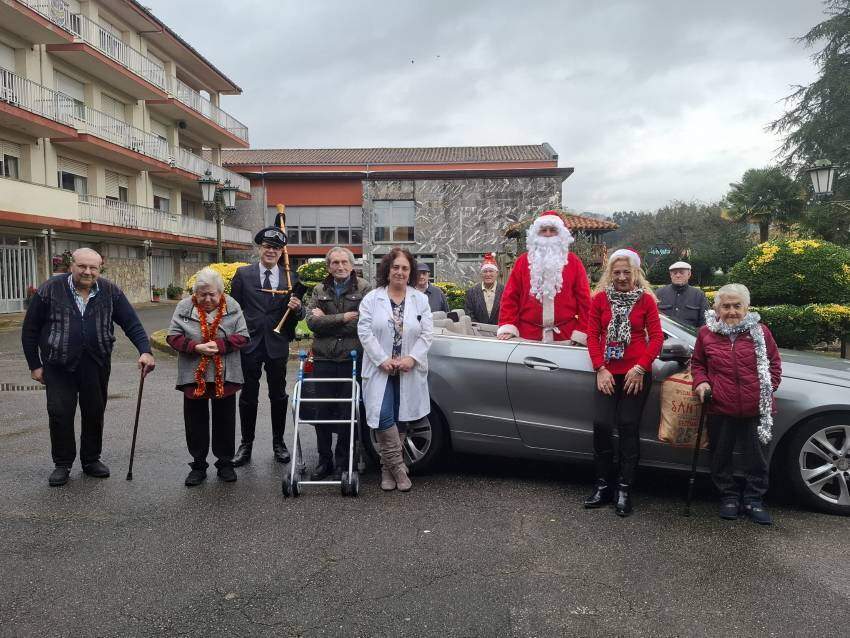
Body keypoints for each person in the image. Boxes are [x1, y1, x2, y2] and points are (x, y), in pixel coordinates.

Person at [21, 247, 156, 486]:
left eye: (93, 267)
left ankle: (91, 460)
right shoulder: (50, 290)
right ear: (71, 266)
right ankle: (62, 464)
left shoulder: (110, 291)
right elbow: (30, 330)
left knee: (94, 412)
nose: (87, 272)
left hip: (96, 363)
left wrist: (145, 350)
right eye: (82, 266)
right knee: (60, 414)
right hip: (58, 365)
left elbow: (131, 323)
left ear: (100, 269)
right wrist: (35, 365)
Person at [691, 283, 781, 525]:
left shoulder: (761, 332)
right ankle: (728, 496)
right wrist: (701, 383)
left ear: (746, 307)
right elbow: (698, 364)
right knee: (721, 455)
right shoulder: (706, 333)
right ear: (717, 308)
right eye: (726, 306)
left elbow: (774, 364)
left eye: (736, 306)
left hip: (757, 408)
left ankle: (754, 499)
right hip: (720, 405)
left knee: (757, 458)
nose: (731, 311)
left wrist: (764, 390)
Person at [584, 248, 663, 517]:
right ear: (609, 273)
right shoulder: (599, 300)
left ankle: (624, 489)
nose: (621, 277)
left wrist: (641, 367)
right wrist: (600, 368)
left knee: (628, 426)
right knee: (601, 424)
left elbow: (657, 338)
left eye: (626, 272)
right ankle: (603, 485)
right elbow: (592, 335)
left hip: (635, 373)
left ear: (635, 273)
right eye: (616, 272)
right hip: (607, 371)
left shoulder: (646, 301)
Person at [358, 248, 433, 492]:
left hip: (407, 369)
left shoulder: (420, 299)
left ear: (410, 273)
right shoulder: (372, 298)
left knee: (402, 418)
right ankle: (400, 470)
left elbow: (427, 333)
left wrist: (412, 358)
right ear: (388, 270)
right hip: (380, 369)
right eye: (395, 267)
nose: (400, 272)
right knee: (383, 416)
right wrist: (381, 359)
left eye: (405, 268)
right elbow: (364, 332)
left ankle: (386, 471)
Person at [167, 268, 249, 486]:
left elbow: (243, 336)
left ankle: (225, 463)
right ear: (195, 293)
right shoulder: (184, 306)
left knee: (225, 419)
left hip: (226, 372)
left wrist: (220, 345)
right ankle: (198, 464)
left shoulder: (232, 305)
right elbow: (172, 337)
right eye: (202, 294)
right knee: (195, 421)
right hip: (194, 373)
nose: (207, 299)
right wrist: (195, 347)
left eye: (212, 294)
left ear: (221, 292)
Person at [230, 226, 304, 466]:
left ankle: (278, 443)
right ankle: (246, 444)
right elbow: (234, 310)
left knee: (278, 396)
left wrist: (298, 308)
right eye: (267, 247)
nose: (271, 251)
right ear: (260, 248)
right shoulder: (243, 275)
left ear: (282, 252)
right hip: (250, 344)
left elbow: (298, 314)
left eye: (276, 248)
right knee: (248, 396)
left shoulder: (290, 278)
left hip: (277, 344)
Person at [305, 247, 371, 480]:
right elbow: (312, 322)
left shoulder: (364, 289)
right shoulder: (319, 289)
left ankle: (344, 460)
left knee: (347, 412)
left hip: (350, 360)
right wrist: (342, 317)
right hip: (323, 359)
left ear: (352, 265)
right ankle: (325, 461)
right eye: (335, 262)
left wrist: (327, 320)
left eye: (344, 262)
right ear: (328, 266)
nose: (340, 266)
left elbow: (362, 323)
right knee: (321, 411)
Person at [497, 210, 591, 344]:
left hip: (565, 338)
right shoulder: (522, 262)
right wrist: (508, 326)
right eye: (543, 230)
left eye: (552, 230)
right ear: (536, 233)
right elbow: (510, 297)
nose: (547, 234)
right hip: (528, 337)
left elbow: (585, 301)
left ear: (560, 234)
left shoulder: (574, 262)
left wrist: (583, 332)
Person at [655, 261, 709, 328]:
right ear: (671, 275)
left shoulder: (698, 295)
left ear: (689, 274)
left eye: (681, 272)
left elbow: (705, 322)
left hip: (689, 337)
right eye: (675, 273)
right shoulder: (659, 293)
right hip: (664, 337)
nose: (678, 275)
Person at [464, 253, 504, 324]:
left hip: (500, 332)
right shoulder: (471, 292)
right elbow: (469, 314)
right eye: (485, 271)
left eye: (491, 271)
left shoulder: (505, 291)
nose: (488, 274)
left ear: (496, 273)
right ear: (481, 274)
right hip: (478, 332)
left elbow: (510, 312)